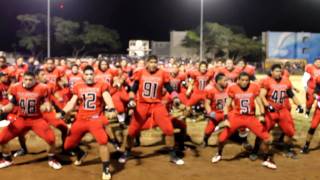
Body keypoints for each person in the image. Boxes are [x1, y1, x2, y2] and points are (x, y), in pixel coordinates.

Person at [118, 55, 184, 165]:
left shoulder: (162, 73)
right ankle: (127, 151)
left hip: (157, 105)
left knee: (169, 129)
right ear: (146, 63)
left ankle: (173, 155)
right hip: (142, 104)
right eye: (151, 62)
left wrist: (175, 97)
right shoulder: (140, 72)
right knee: (132, 130)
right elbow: (133, 88)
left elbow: (169, 87)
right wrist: (131, 99)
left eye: (155, 62)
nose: (153, 64)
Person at [211, 72, 276, 169]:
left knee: (267, 138)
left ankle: (266, 159)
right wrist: (225, 119)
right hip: (236, 117)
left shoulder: (254, 87)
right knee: (221, 139)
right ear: (238, 80)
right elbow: (227, 105)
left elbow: (259, 103)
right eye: (242, 80)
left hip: (250, 117)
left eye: (247, 80)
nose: (245, 82)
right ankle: (219, 153)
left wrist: (262, 115)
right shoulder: (233, 88)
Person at [61, 65, 116, 180]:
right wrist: (64, 112)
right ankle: (81, 153)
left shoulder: (101, 85)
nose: (89, 76)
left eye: (91, 74)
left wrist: (111, 107)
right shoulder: (78, 86)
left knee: (103, 141)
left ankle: (106, 168)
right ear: (83, 76)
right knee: (67, 146)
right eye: (87, 74)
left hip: (95, 119)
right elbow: (72, 102)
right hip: (80, 119)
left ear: (94, 75)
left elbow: (107, 97)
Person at [0, 72, 62, 170]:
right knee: (2, 139)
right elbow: (11, 105)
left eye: (30, 80)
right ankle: (7, 159)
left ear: (35, 80)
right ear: (22, 79)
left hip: (36, 119)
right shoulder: (16, 87)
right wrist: (3, 109)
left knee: (51, 139)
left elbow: (47, 104)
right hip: (21, 119)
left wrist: (47, 107)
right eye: (26, 79)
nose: (28, 82)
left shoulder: (42, 88)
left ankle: (52, 158)